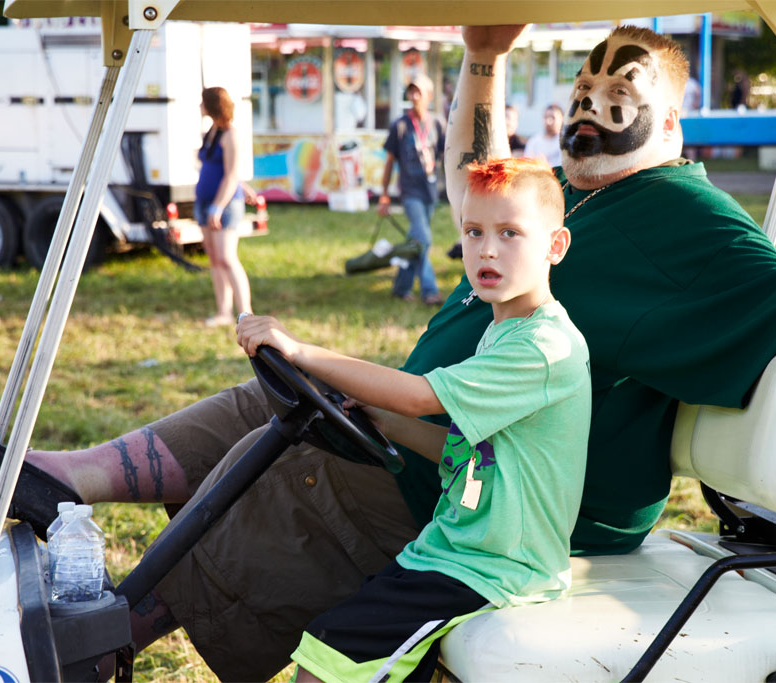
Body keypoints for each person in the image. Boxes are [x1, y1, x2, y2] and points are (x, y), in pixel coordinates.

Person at [0, 25, 776, 683]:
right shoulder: (574, 199)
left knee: (280, 485)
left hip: (506, 499)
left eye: (623, 92)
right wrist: (482, 61)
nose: (595, 104)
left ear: (673, 125)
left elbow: (775, 279)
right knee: (253, 413)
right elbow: (476, 176)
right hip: (460, 447)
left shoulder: (675, 205)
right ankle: (59, 480)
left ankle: (98, 639)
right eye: (585, 89)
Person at [237, 157, 589, 682]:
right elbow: (476, 454)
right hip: (456, 548)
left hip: (498, 567)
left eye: (510, 233)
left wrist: (299, 349)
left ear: (554, 247)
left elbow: (417, 395)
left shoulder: (542, 346)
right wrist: (382, 421)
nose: (487, 249)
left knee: (323, 663)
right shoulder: (505, 333)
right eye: (474, 232)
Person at [377, 73, 445, 305]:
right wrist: (384, 194)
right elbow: (389, 162)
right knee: (423, 239)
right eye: (411, 91)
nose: (414, 96)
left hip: (430, 191)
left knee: (415, 241)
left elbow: (449, 153)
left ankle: (401, 286)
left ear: (429, 96)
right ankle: (430, 291)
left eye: (419, 92)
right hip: (409, 192)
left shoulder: (437, 123)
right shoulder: (401, 125)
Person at [195, 86, 252, 327]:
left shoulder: (231, 135)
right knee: (215, 259)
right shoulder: (213, 131)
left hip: (224, 205)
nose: (200, 106)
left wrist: (217, 207)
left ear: (211, 105)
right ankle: (223, 312)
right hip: (205, 201)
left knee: (228, 257)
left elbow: (230, 175)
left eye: (203, 102)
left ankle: (246, 313)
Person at [523, 103, 563, 167]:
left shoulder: (566, 142)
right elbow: (527, 164)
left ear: (562, 119)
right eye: (545, 117)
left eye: (553, 117)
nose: (548, 121)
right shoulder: (534, 141)